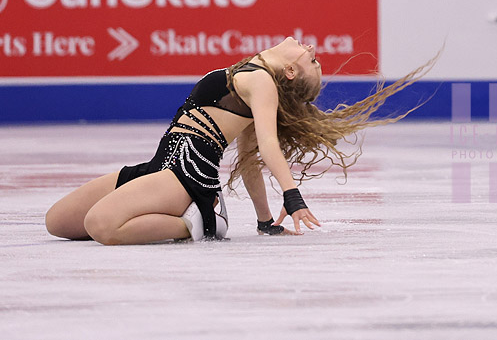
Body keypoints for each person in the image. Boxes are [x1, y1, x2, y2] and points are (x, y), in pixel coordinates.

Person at [45, 38, 433, 244]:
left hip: (183, 177)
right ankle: (201, 214)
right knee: (58, 223)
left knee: (102, 226)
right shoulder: (253, 78)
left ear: (292, 71)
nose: (313, 51)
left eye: (312, 61)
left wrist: (292, 196)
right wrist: (264, 221)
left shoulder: (262, 82)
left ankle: (197, 223)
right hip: (158, 167)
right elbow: (248, 159)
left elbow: (268, 145)